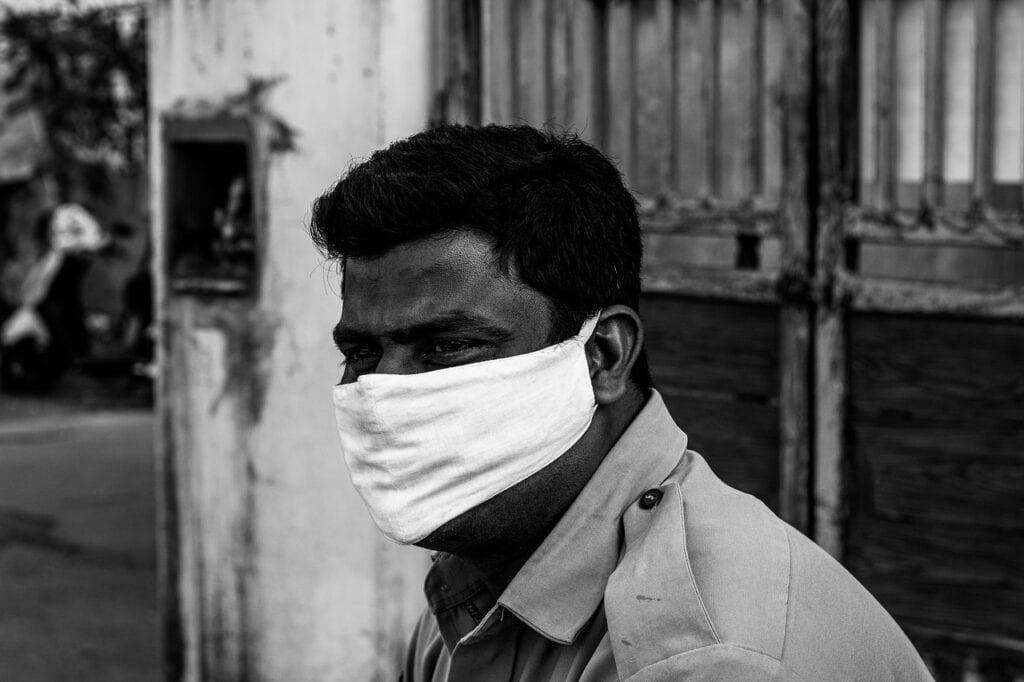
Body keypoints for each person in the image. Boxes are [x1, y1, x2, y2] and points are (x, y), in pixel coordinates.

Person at [311, 125, 933, 681]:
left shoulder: (704, 656)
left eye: (447, 345)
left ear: (603, 356)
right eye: (361, 355)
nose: (384, 391)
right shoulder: (481, 568)